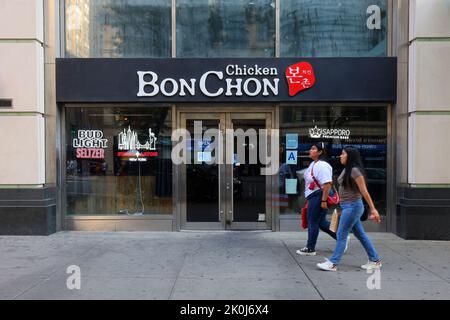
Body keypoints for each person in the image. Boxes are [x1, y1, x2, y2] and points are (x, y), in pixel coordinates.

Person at [317, 147, 382, 272]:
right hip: (349, 207)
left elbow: (364, 191)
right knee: (360, 235)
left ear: (350, 156)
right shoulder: (347, 170)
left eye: (343, 154)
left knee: (341, 234)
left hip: (353, 206)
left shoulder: (355, 171)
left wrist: (373, 209)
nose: (340, 156)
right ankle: (374, 260)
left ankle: (333, 263)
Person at [296, 142, 348, 256]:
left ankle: (310, 248)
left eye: (313, 148)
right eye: (311, 148)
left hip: (318, 196)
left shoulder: (323, 165)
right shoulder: (314, 164)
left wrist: (323, 200)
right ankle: (342, 238)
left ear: (320, 152)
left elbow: (327, 184)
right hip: (314, 196)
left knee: (313, 222)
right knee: (321, 222)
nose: (310, 150)